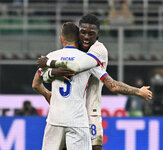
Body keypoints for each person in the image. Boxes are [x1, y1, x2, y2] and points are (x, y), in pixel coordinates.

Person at [33, 14, 152, 150]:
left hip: (90, 109)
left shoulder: (98, 51)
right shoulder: (75, 50)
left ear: (98, 35)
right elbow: (40, 80)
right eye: (83, 32)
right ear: (77, 33)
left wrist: (50, 67)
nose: (86, 37)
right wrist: (49, 82)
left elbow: (77, 66)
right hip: (71, 112)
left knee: (95, 147)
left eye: (91, 34)